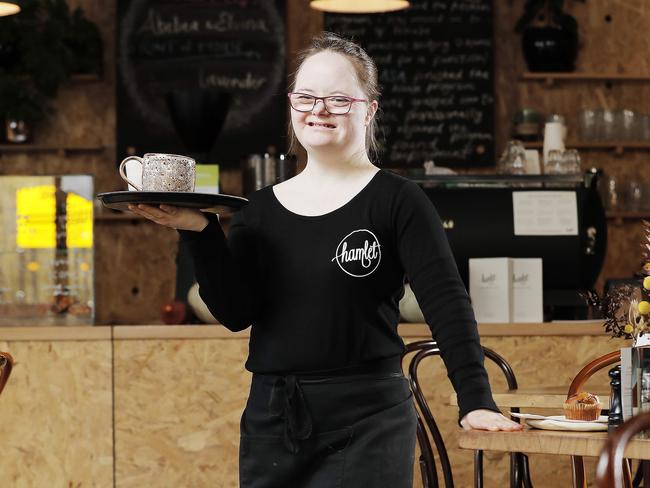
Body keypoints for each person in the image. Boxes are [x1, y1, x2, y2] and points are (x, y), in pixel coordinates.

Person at [129, 32, 522, 488]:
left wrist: (475, 398)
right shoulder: (259, 209)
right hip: (274, 419)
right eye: (307, 97)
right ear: (292, 104)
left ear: (369, 109)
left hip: (369, 419)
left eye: (338, 99)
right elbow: (235, 313)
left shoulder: (398, 201)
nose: (319, 110)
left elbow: (447, 302)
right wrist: (198, 230)